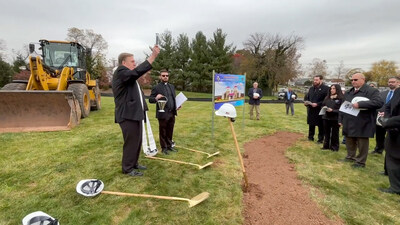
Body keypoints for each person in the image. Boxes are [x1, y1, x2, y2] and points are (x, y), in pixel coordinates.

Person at [112, 46, 160, 177]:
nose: (135, 63)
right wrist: (152, 57)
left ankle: (134, 163)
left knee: (137, 140)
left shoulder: (128, 77)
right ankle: (127, 168)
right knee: (131, 142)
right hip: (127, 115)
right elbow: (136, 72)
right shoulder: (121, 72)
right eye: (132, 61)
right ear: (124, 63)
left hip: (135, 114)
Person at [338, 73, 383, 168]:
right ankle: (350, 156)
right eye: (352, 80)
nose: (353, 81)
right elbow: (343, 105)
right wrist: (340, 119)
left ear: (363, 79)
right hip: (349, 119)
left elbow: (378, 102)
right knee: (349, 139)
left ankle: (361, 162)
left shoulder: (372, 91)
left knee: (362, 141)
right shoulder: (349, 92)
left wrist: (361, 104)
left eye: (355, 80)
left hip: (363, 120)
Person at [149, 69, 179, 155]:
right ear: (160, 77)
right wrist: (156, 98)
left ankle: (169, 146)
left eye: (167, 76)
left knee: (170, 130)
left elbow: (173, 99)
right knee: (163, 131)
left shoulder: (172, 87)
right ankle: (164, 148)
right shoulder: (156, 87)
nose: (165, 77)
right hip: (162, 113)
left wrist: (177, 105)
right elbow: (150, 100)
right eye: (163, 75)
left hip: (172, 112)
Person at [371, 77, 400, 155]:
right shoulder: (383, 93)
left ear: (398, 83)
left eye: (393, 82)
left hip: (393, 119)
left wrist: (388, 114)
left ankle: (391, 151)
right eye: (389, 82)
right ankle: (378, 149)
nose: (390, 83)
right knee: (379, 133)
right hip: (380, 117)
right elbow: (379, 103)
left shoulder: (398, 94)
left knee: (392, 135)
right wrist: (380, 111)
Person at [379, 87, 400, 194]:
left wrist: (389, 121)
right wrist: (387, 119)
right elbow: (388, 106)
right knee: (392, 158)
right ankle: (395, 187)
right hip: (394, 130)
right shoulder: (397, 92)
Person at [304, 75, 329, 143]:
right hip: (311, 109)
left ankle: (320, 139)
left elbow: (326, 100)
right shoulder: (311, 88)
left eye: (316, 80)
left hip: (320, 110)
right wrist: (306, 102)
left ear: (321, 80)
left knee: (321, 125)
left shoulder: (326, 89)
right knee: (311, 124)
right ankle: (310, 137)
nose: (315, 81)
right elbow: (307, 97)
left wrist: (318, 104)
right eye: (314, 80)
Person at [321, 84, 344, 151]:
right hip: (326, 117)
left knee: (335, 133)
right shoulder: (327, 97)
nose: (332, 90)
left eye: (334, 88)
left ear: (337, 89)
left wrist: (333, 110)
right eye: (331, 88)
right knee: (326, 132)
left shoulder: (341, 98)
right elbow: (323, 105)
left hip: (335, 118)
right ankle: (326, 146)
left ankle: (334, 147)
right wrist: (324, 108)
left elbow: (342, 109)